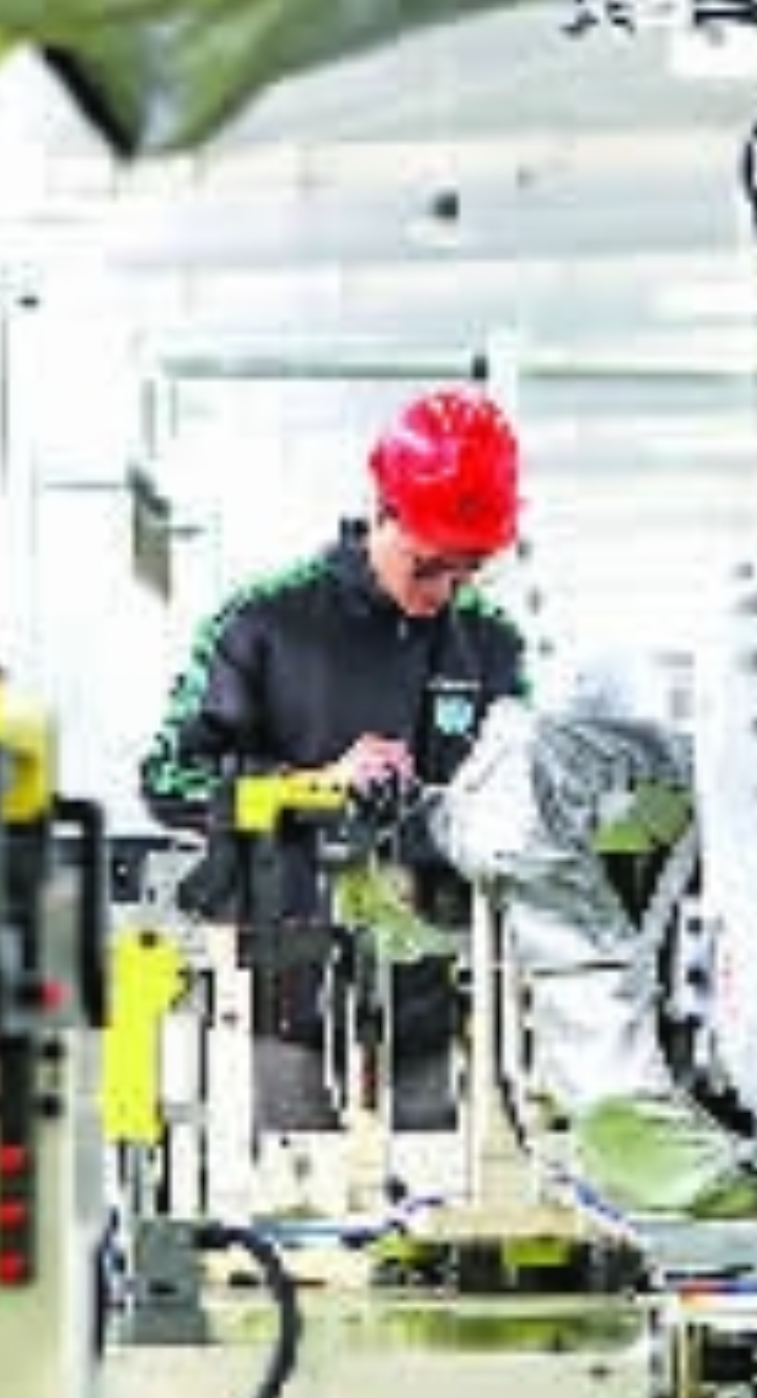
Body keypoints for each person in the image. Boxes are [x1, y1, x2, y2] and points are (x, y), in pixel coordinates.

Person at [138, 387, 530, 1135]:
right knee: (292, 1179)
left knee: (442, 1181)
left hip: (435, 991)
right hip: (284, 981)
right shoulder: (265, 623)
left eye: (467, 571)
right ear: (384, 512)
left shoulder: (491, 644)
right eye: (427, 566)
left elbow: (518, 801)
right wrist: (314, 785)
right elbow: (169, 779)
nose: (443, 592)